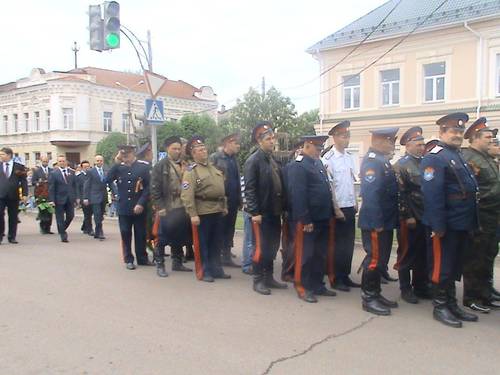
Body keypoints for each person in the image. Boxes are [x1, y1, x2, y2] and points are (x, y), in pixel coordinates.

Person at [421, 112, 479, 328]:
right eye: (453, 131)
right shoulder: (435, 157)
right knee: (441, 266)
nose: (457, 134)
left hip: (461, 222)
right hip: (445, 224)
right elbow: (432, 194)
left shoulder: (456, 155)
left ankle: (452, 303)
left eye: (460, 131)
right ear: (442, 132)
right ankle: (440, 305)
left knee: (454, 265)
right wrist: (438, 225)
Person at [288, 135, 337, 303]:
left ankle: (317, 285)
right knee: (306, 255)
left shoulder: (318, 163)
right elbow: (298, 195)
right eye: (317, 148)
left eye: (321, 148)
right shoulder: (299, 166)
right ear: (307, 145)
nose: (319, 151)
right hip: (308, 220)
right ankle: (302, 287)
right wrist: (305, 219)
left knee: (320, 254)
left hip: (322, 217)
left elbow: (326, 189)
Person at [358, 128, 400, 316]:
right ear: (377, 141)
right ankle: (368, 297)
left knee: (381, 259)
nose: (392, 145)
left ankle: (376, 293)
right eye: (389, 141)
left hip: (385, 220)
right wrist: (377, 221)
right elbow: (371, 195)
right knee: (374, 260)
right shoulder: (372, 162)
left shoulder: (382, 161)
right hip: (376, 221)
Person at [244, 121, 287, 295]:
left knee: (272, 246)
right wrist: (254, 212)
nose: (272, 141)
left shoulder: (272, 160)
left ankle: (269, 277)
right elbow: (250, 189)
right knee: (260, 248)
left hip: (274, 212)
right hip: (261, 214)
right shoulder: (253, 161)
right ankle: (258, 280)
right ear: (259, 141)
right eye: (268, 139)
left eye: (273, 138)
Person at [461, 118, 500, 312]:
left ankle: (486, 292)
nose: (491, 140)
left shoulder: (486, 158)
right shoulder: (470, 158)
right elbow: (469, 191)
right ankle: (471, 296)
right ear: (475, 138)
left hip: (493, 215)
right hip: (480, 216)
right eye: (488, 137)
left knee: (488, 255)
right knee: (475, 257)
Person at [181, 136, 230, 282]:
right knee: (203, 243)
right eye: (200, 150)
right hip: (203, 212)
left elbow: (221, 189)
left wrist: (224, 206)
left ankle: (217, 269)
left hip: (217, 210)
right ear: (194, 153)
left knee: (216, 242)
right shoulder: (191, 171)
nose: (204, 151)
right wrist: (192, 214)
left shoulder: (213, 168)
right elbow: (186, 194)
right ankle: (205, 271)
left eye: (204, 149)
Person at [321, 120, 361, 291]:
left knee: (348, 244)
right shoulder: (328, 159)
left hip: (349, 205)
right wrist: (336, 209)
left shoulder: (349, 157)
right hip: (336, 208)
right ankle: (335, 278)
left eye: (348, 136)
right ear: (335, 137)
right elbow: (329, 187)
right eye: (344, 136)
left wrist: (355, 202)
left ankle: (345, 275)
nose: (347, 139)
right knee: (335, 245)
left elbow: (351, 181)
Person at [393, 127, 430, 304]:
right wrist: (407, 216)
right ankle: (405, 288)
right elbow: (400, 194)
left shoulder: (425, 163)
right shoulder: (401, 165)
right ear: (408, 145)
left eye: (423, 144)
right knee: (407, 253)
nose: (422, 147)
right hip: (410, 218)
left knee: (422, 253)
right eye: (418, 144)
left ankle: (421, 286)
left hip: (425, 216)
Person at [151, 136, 192, 277]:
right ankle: (160, 264)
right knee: (162, 238)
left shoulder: (185, 164)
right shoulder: (161, 165)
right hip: (168, 207)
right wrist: (160, 206)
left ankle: (177, 262)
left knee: (179, 236)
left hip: (182, 206)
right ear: (167, 149)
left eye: (179, 148)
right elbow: (155, 188)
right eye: (174, 148)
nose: (177, 151)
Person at [106, 145, 151, 270]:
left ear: (133, 154)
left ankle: (142, 258)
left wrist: (141, 203)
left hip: (139, 207)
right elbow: (107, 179)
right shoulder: (118, 168)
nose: (125, 158)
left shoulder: (143, 167)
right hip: (124, 207)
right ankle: (128, 259)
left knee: (140, 234)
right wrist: (116, 162)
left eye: (127, 155)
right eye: (123, 156)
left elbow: (148, 187)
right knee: (125, 234)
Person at [210, 133, 242, 268]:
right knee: (219, 228)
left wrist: (239, 198)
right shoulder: (216, 158)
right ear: (228, 143)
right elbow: (209, 178)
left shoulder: (234, 159)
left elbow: (236, 180)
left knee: (230, 228)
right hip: (220, 200)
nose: (238, 146)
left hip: (233, 200)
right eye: (236, 143)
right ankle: (216, 257)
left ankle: (226, 256)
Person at [0, 147, 28, 244]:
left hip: (13, 195)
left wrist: (25, 194)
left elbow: (24, 181)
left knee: (13, 216)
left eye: (2, 154)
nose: (1, 156)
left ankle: (12, 236)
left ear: (9, 155)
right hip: (1, 195)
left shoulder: (19, 167)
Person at [48, 155, 77, 243]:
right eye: (60, 161)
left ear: (66, 162)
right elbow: (51, 188)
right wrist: (51, 200)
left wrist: (76, 197)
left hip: (70, 198)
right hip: (59, 199)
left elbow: (74, 185)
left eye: (63, 161)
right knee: (59, 217)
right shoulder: (54, 173)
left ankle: (62, 228)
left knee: (70, 215)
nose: (62, 163)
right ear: (57, 163)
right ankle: (63, 235)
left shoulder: (71, 172)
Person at [83, 155, 108, 240]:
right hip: (94, 196)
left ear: (103, 161)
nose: (99, 162)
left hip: (104, 196)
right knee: (97, 214)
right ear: (95, 162)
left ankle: (97, 231)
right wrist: (85, 197)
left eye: (101, 160)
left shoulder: (106, 171)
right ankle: (100, 231)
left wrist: (115, 193)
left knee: (101, 215)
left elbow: (110, 182)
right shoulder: (91, 171)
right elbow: (87, 185)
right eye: (97, 161)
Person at [32, 156, 53, 234]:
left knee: (50, 211)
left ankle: (48, 228)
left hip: (49, 194)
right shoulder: (37, 171)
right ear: (41, 161)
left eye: (46, 161)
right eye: (44, 161)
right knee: (43, 211)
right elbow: (33, 181)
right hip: (40, 194)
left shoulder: (52, 170)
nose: (45, 163)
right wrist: (38, 183)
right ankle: (42, 227)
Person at [76, 160, 93, 236]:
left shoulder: (92, 175)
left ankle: (84, 226)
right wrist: (78, 198)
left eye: (88, 167)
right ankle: (90, 229)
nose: (87, 168)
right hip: (83, 198)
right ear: (82, 168)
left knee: (90, 213)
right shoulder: (79, 177)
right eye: (85, 167)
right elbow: (77, 188)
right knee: (87, 214)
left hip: (92, 197)